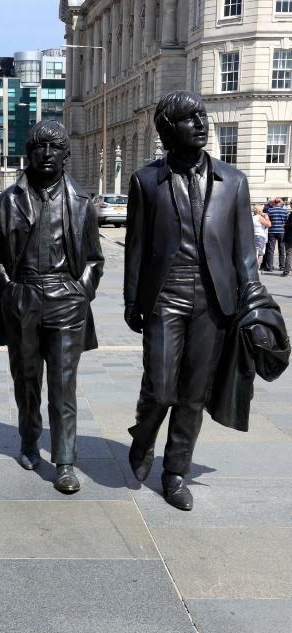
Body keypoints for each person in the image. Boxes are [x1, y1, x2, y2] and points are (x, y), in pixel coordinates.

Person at [124, 89, 259, 510]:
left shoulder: (233, 182)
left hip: (215, 301)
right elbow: (136, 247)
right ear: (168, 129)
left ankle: (175, 471)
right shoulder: (146, 181)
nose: (201, 123)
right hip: (166, 294)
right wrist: (132, 301)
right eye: (188, 118)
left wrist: (252, 302)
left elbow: (244, 254)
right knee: (161, 388)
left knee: (194, 393)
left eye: (202, 115)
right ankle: (144, 436)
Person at [0, 120, 104, 493]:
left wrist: (81, 290)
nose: (47, 154)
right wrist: (5, 287)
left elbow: (94, 259)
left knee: (63, 385)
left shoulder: (81, 201)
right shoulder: (7, 201)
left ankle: (65, 460)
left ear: (65, 154)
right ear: (29, 153)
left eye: (55, 148)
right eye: (40, 147)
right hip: (24, 296)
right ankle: (28, 438)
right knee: (26, 380)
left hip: (66, 300)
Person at [263, 198, 288, 272]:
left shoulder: (270, 210)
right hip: (282, 232)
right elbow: (286, 221)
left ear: (274, 203)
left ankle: (269, 267)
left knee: (270, 250)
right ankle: (282, 267)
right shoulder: (284, 211)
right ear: (280, 203)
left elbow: (267, 220)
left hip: (272, 232)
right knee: (282, 249)